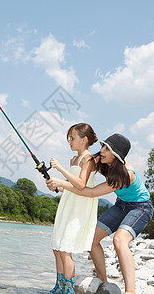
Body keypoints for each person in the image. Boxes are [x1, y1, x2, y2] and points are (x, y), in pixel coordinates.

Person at [47, 133, 154, 294]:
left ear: (116, 155)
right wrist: (62, 186)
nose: (101, 151)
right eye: (103, 146)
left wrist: (63, 183)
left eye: (107, 149)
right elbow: (81, 181)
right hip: (120, 205)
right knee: (92, 239)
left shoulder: (126, 173)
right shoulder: (101, 160)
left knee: (119, 240)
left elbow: (91, 192)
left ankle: (130, 291)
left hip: (140, 207)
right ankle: (103, 281)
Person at [49, 123, 99, 294]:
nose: (69, 141)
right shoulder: (74, 159)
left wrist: (60, 170)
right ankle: (59, 286)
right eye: (69, 138)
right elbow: (71, 185)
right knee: (57, 248)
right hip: (68, 203)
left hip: (79, 207)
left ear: (84, 140)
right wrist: (58, 186)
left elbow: (80, 184)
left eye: (72, 138)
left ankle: (68, 290)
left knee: (65, 249)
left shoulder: (89, 159)